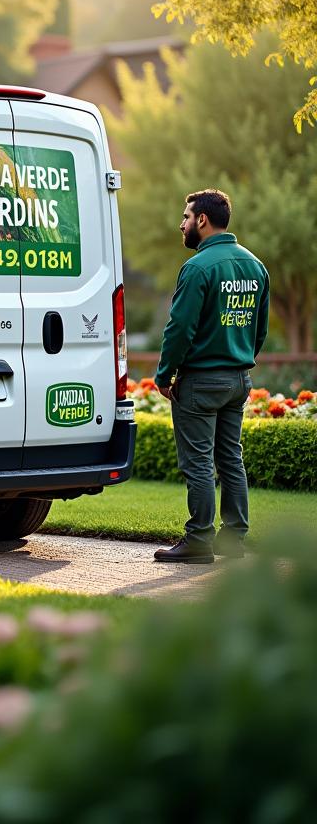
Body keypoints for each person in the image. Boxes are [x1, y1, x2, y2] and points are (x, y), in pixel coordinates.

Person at [153, 189, 269, 565]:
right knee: (231, 460)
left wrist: (165, 373)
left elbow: (179, 328)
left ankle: (199, 540)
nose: (182, 224)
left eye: (186, 217)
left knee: (199, 464)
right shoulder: (255, 266)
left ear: (202, 220)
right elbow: (260, 330)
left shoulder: (198, 268)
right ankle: (234, 538)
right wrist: (240, 360)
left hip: (201, 382)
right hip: (237, 380)